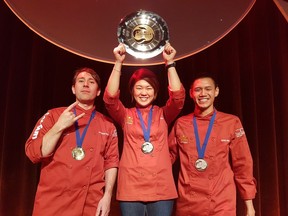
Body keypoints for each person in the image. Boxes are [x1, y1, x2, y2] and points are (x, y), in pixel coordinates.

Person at [103, 43, 185, 216]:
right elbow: (110, 99)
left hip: (161, 186)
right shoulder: (126, 115)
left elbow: (178, 98)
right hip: (131, 186)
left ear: (155, 93)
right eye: (139, 88)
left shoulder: (163, 113)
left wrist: (170, 63)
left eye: (149, 88)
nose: (144, 92)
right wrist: (118, 62)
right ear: (132, 92)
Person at [25, 67, 119, 216]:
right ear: (73, 89)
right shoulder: (53, 115)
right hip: (53, 202)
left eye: (91, 82)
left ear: (99, 91)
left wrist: (107, 196)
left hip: (90, 203)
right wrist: (59, 126)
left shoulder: (108, 124)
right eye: (81, 81)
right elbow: (34, 153)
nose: (86, 84)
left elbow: (111, 162)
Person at [168, 73, 257, 216]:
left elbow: (243, 164)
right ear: (191, 93)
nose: (203, 94)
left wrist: (249, 206)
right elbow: (166, 158)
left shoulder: (231, 122)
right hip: (188, 204)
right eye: (198, 90)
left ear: (216, 91)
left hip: (221, 203)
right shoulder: (181, 123)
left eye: (208, 89)